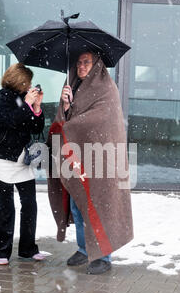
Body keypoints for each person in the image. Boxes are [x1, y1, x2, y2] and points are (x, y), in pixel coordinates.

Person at [47, 52, 133, 275]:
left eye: (86, 62)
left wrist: (73, 123)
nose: (81, 67)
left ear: (96, 65)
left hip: (101, 157)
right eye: (78, 62)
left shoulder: (107, 89)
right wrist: (66, 106)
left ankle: (103, 254)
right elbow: (63, 121)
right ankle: (84, 249)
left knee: (100, 205)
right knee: (78, 204)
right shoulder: (72, 86)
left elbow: (102, 119)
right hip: (77, 157)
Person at [0, 62, 45, 265]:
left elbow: (36, 127)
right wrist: (27, 104)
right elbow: (10, 121)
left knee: (29, 204)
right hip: (3, 160)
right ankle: (0, 250)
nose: (29, 85)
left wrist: (36, 107)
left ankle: (28, 249)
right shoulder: (2, 97)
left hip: (22, 161)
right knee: (6, 206)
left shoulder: (24, 99)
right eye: (27, 81)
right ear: (20, 80)